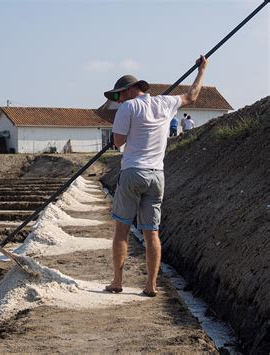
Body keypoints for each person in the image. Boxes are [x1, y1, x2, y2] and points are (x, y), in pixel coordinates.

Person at [103, 55, 208, 297]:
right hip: (156, 175)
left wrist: (128, 131)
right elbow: (192, 96)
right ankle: (150, 286)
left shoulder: (128, 108)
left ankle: (117, 282)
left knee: (122, 230)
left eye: (118, 95)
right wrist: (202, 70)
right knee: (152, 232)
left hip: (132, 172)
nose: (117, 100)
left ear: (130, 90)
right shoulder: (165, 103)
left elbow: (118, 141)